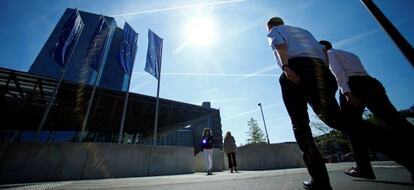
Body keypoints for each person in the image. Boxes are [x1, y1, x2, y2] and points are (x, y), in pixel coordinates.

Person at [266, 17, 413, 189]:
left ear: (271, 25)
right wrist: (323, 76)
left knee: (300, 124)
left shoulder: (274, 31)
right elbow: (323, 54)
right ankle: (407, 155)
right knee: (341, 120)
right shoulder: (304, 32)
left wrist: (285, 67)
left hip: (297, 69)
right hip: (321, 72)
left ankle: (320, 181)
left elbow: (280, 45)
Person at [319, 40, 414, 181]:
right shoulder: (350, 54)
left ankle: (364, 167)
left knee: (353, 128)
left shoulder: (330, 54)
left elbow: (338, 72)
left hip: (353, 86)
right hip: (371, 83)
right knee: (393, 120)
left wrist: (346, 93)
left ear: (323, 48)